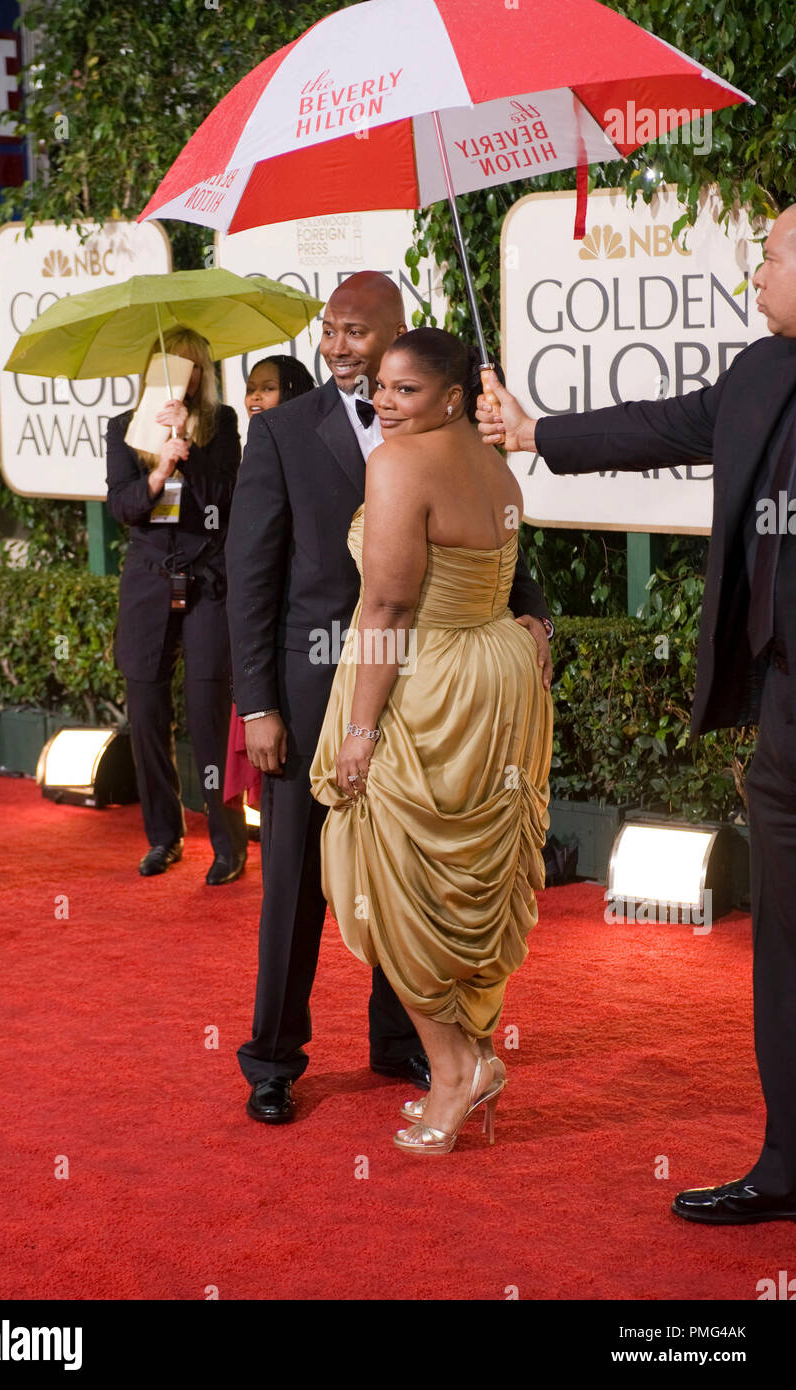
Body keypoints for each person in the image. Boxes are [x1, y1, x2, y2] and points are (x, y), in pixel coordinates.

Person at [477, 205, 796, 1223]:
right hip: (786, 711)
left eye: (771, 255)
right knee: (784, 946)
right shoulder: (760, 373)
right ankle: (786, 1161)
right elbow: (667, 422)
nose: (754, 272)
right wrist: (533, 433)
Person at [226, 272, 555, 1125]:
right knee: (298, 880)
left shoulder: (460, 439)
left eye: (357, 333)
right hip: (313, 691)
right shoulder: (284, 432)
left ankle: (400, 1041)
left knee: (408, 868)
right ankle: (273, 1058)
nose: (338, 347)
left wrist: (531, 614)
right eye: (328, 330)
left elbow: (504, 543)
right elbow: (251, 573)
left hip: (427, 689)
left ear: (398, 336)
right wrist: (257, 702)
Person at [310, 328, 553, 1154]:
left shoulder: (396, 464)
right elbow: (500, 576)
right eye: (379, 386)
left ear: (452, 396)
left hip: (426, 684)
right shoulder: (496, 465)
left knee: (394, 876)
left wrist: (359, 728)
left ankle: (453, 1069)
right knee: (462, 880)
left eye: (404, 390)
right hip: (497, 672)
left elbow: (385, 608)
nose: (382, 401)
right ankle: (471, 1053)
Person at [105, 327, 247, 885]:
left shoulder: (222, 425)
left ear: (204, 376)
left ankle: (227, 844)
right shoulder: (124, 429)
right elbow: (123, 506)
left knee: (209, 717)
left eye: (192, 369)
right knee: (145, 714)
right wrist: (158, 469)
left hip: (208, 580)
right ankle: (164, 838)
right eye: (171, 367)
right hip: (147, 585)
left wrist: (188, 454)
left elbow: (227, 502)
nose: (181, 380)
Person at [224, 355, 316, 819]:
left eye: (268, 388)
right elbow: (250, 568)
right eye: (251, 387)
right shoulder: (254, 445)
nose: (255, 397)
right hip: (275, 650)